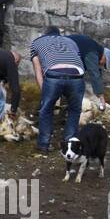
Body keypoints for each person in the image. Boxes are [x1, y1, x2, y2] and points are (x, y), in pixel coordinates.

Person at [29, 26, 86, 154]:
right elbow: (77, 60)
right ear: (59, 34)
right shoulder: (71, 41)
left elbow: (38, 70)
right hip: (77, 75)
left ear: (44, 34)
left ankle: (44, 145)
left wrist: (46, 92)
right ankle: (70, 143)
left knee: (46, 109)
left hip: (54, 74)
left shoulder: (37, 42)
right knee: (75, 109)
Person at [66, 33, 110, 101]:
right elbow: (94, 74)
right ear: (104, 56)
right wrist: (101, 96)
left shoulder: (93, 48)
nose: (101, 64)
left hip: (65, 51)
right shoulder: (93, 52)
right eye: (104, 63)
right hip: (64, 49)